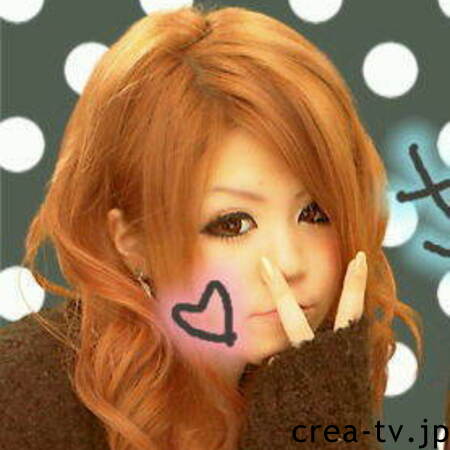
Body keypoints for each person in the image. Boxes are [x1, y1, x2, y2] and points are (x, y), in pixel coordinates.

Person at [0, 4, 424, 449]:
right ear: (131, 241)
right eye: (233, 224)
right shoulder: (23, 395)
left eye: (316, 213)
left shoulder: (323, 382)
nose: (289, 262)